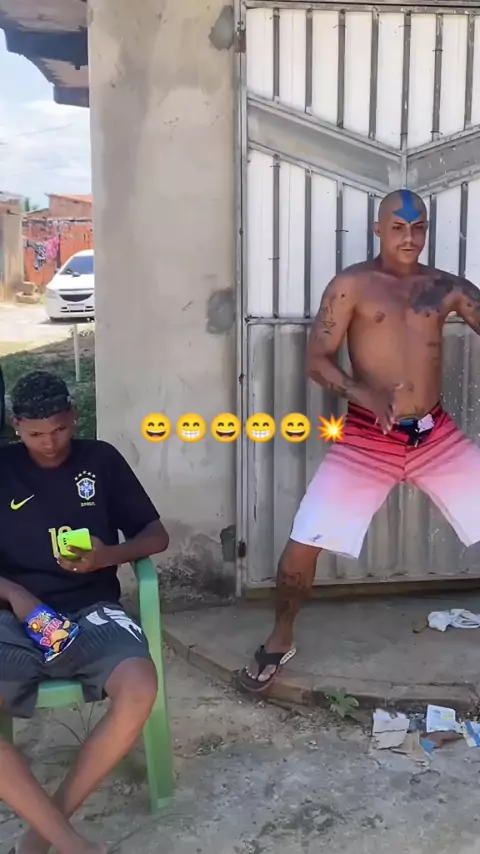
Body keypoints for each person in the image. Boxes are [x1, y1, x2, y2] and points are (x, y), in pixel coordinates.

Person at [239, 188, 480, 693]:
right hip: (369, 436)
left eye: (418, 227)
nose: (409, 237)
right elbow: (317, 360)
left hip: (434, 433)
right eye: (397, 227)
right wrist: (363, 392)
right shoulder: (352, 286)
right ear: (378, 230)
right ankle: (281, 636)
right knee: (305, 542)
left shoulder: (446, 288)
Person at [0, 370, 169, 854]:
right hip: (12, 619)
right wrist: (15, 594)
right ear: (15, 425)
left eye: (59, 428)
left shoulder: (101, 460)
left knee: (140, 686)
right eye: (35, 433)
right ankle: (73, 845)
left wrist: (106, 556)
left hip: (92, 610)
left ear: (74, 417)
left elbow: (155, 536)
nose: (50, 443)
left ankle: (41, 835)